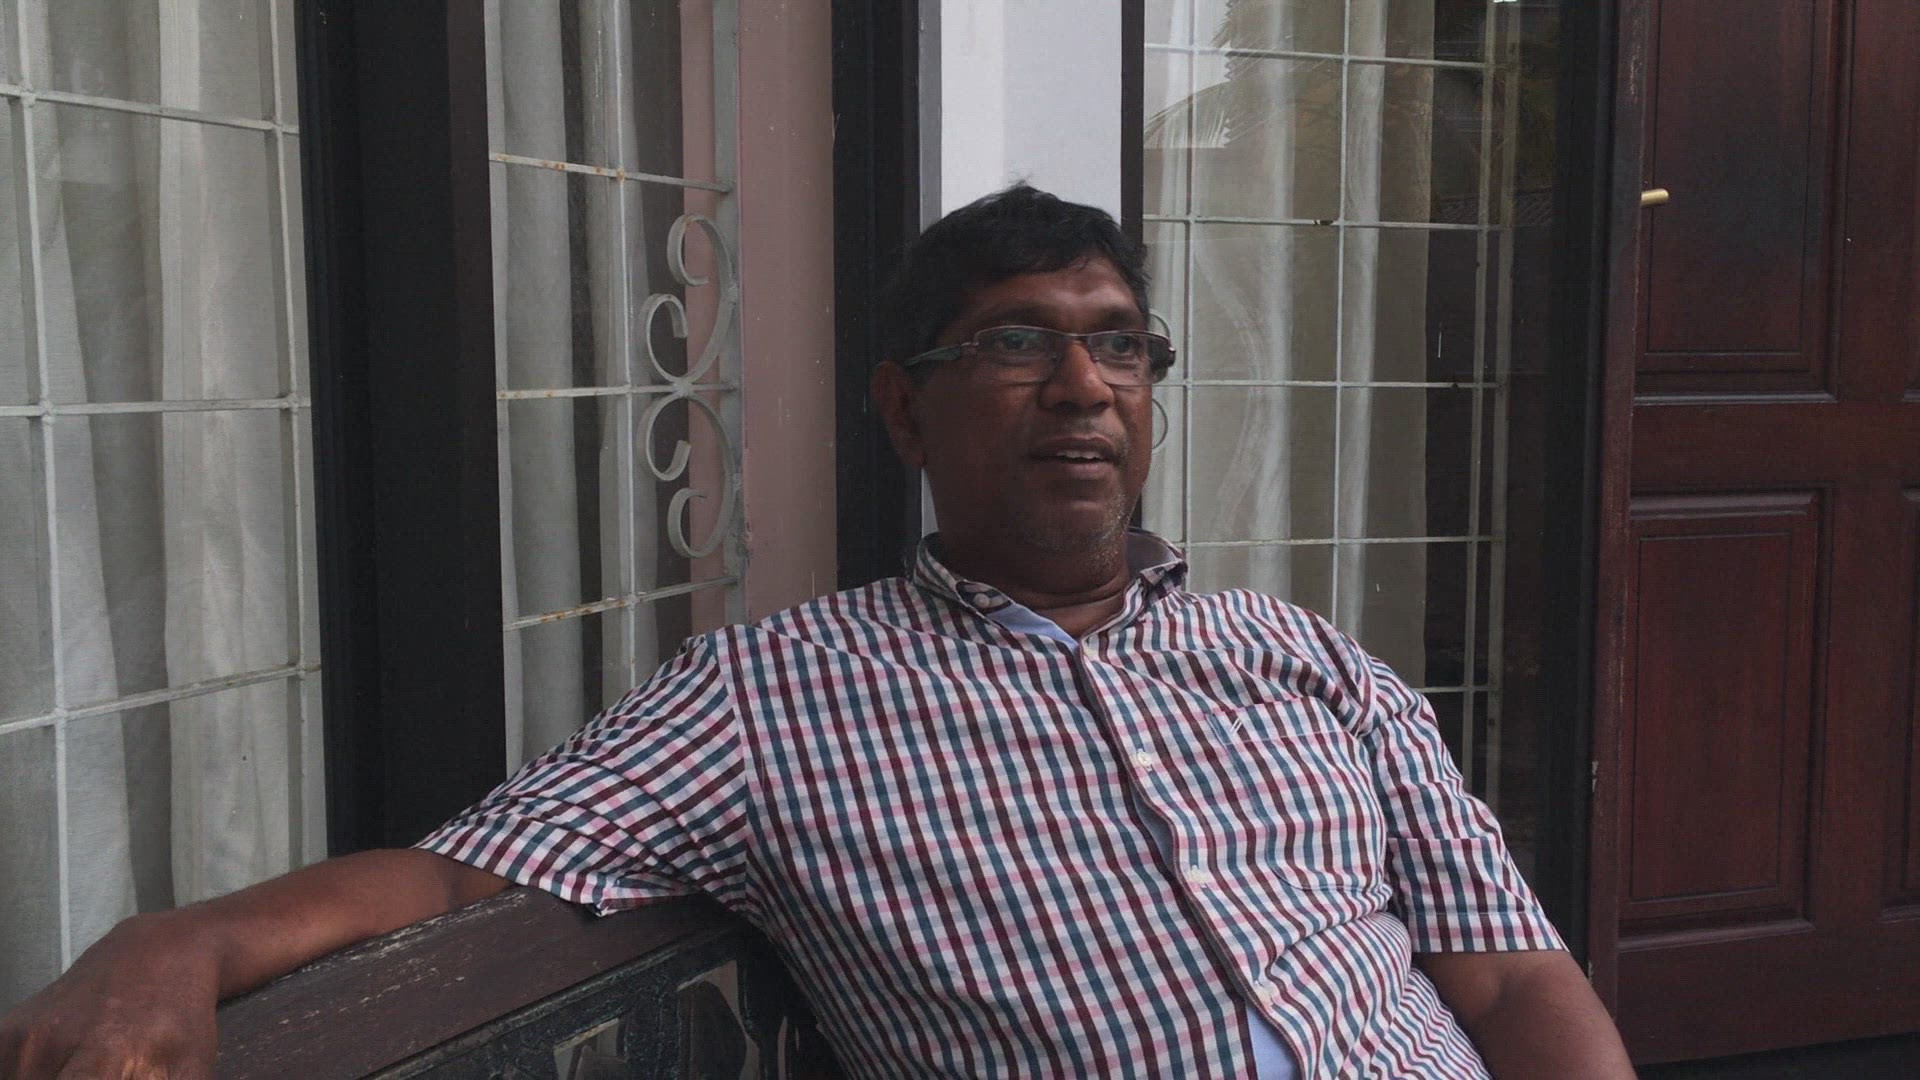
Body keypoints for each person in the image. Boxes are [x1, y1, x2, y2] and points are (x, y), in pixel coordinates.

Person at [0, 185, 1632, 1079]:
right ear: (902, 410)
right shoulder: (770, 701)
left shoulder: (1308, 661)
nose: (1084, 386)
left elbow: (1506, 977)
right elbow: (462, 875)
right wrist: (179, 943)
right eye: (1018, 344)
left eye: (1122, 347)